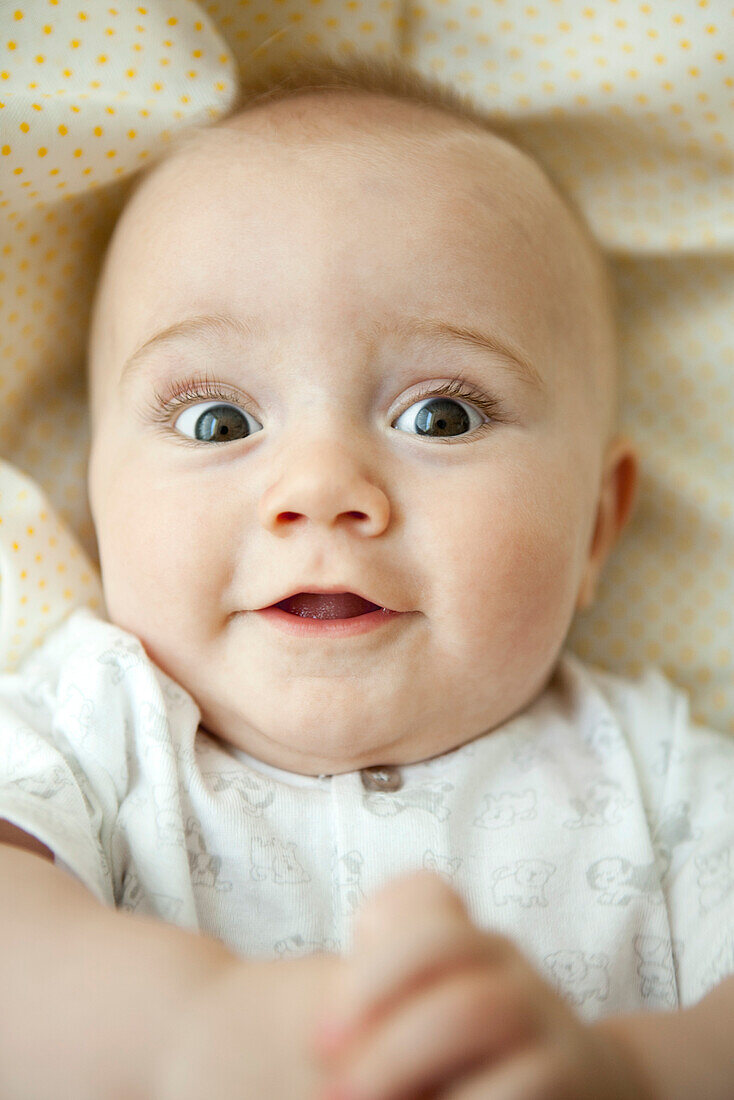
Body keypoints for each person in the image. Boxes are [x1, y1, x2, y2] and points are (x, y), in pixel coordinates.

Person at [0, 53, 732, 1100]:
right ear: (95, 500)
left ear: (592, 530)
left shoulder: (659, 777)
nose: (321, 488)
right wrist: (185, 1033)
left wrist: (634, 1070)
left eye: (440, 414)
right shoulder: (89, 733)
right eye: (219, 421)